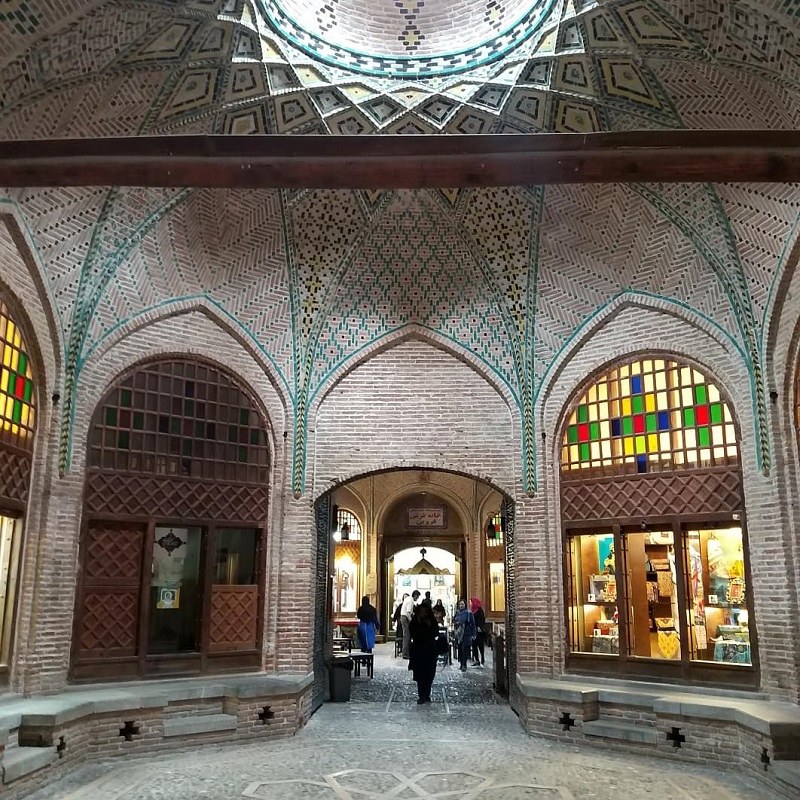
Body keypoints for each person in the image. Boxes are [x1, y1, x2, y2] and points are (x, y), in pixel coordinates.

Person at [408, 601, 439, 704]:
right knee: (420, 675)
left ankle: (427, 694)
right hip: (419, 650)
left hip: (429, 651)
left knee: (429, 674)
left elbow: (435, 631)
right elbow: (412, 632)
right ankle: (422, 695)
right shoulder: (415, 621)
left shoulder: (431, 621)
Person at [454, 599, 476, 671]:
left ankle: (464, 664)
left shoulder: (469, 613)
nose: (461, 606)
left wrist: (473, 634)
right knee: (460, 649)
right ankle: (461, 663)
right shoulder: (457, 613)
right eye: (460, 604)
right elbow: (455, 621)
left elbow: (473, 624)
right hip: (459, 633)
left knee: (465, 649)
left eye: (463, 604)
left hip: (467, 633)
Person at [400, 590, 419, 658]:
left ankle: (406, 652)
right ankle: (405, 654)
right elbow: (408, 613)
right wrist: (411, 621)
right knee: (407, 636)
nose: (417, 599)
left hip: (403, 617)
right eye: (417, 597)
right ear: (415, 595)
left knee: (407, 635)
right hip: (405, 618)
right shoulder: (410, 601)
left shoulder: (408, 599)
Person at [470, 597, 486, 666]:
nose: (470, 604)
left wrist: (480, 627)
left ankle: (482, 657)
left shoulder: (479, 610)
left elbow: (482, 619)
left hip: (479, 631)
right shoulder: (471, 610)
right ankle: (477, 660)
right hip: (473, 630)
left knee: (480, 645)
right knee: (474, 645)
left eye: (471, 602)